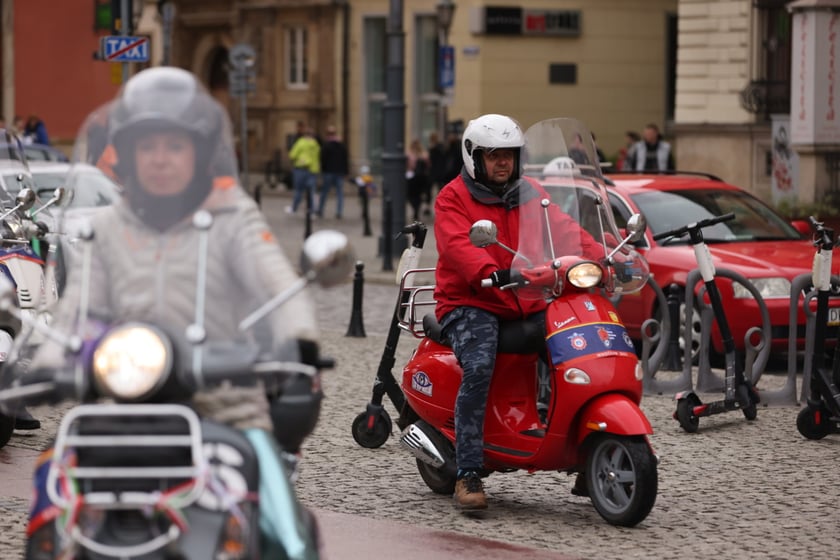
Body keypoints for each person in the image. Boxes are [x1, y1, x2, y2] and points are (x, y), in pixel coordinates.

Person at [18, 66, 321, 557]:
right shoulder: (106, 226)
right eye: (147, 147)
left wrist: (297, 339)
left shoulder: (231, 215)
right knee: (54, 486)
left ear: (198, 152)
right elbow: (79, 311)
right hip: (123, 411)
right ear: (129, 155)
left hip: (227, 405)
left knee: (286, 531)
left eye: (174, 146)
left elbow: (277, 283)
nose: (160, 159)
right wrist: (49, 364)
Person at [433, 114, 601, 511]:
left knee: (579, 344)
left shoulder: (530, 193)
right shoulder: (453, 197)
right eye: (493, 156)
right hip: (471, 301)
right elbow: (459, 246)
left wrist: (602, 257)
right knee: (478, 365)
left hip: (523, 299)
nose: (503, 163)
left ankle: (585, 452)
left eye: (508, 155)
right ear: (474, 157)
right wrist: (488, 271)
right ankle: (469, 471)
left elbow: (564, 229)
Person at [317, 125, 349, 219]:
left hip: (328, 172)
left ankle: (320, 210)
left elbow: (322, 159)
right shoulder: (341, 145)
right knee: (339, 193)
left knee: (324, 192)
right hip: (339, 172)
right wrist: (346, 172)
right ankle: (339, 212)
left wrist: (322, 171)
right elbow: (345, 159)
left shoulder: (326, 146)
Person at [287, 125, 321, 215]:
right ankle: (312, 210)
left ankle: (294, 208)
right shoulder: (316, 145)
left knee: (298, 190)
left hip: (300, 169)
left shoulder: (301, 142)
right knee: (311, 191)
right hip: (312, 170)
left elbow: (292, 155)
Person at [406, 138, 431, 222]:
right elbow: (428, 165)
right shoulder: (423, 154)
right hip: (418, 178)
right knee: (415, 196)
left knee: (414, 196)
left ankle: (416, 210)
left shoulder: (413, 154)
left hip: (415, 178)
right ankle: (416, 210)